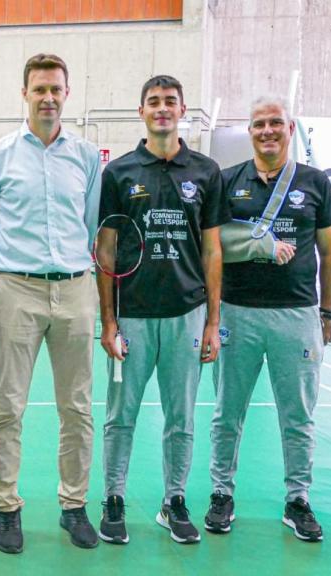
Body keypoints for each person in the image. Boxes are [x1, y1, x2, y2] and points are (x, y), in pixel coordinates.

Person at [0, 53, 102, 552]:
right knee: (7, 405)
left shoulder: (87, 156)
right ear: (24, 93)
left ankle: (74, 505)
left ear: (66, 94)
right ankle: (7, 508)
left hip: (75, 290)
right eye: (39, 89)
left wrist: (71, 271)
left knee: (77, 407)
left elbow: (89, 224)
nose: (48, 97)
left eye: (56, 89)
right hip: (16, 290)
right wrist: (7, 280)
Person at [95, 75, 229, 546]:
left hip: (186, 315)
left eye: (170, 102)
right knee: (121, 415)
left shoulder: (206, 172)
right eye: (153, 102)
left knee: (182, 418)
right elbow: (106, 251)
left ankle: (174, 501)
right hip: (132, 315)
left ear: (182, 109)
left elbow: (213, 251)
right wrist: (108, 321)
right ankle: (113, 499)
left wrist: (213, 321)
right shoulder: (120, 173)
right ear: (142, 112)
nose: (162, 109)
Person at [205, 95, 331, 542]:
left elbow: (330, 253)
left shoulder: (315, 183)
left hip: (296, 315)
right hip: (237, 314)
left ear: (290, 127)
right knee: (227, 413)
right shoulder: (227, 181)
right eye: (259, 123)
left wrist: (327, 312)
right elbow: (214, 245)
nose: (267, 131)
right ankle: (221, 494)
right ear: (250, 131)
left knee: (298, 416)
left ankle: (297, 499)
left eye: (275, 123)